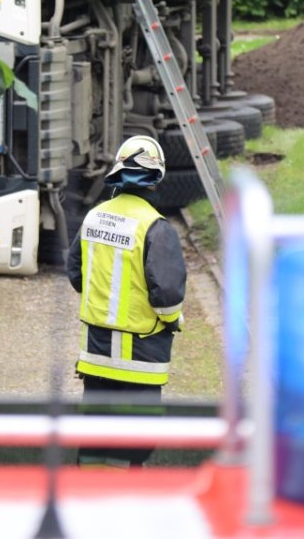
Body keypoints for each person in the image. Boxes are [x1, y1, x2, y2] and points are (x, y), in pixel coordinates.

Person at [66, 135, 187, 468]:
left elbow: (76, 273)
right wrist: (172, 319)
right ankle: (124, 504)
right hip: (141, 357)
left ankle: (89, 496)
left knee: (95, 435)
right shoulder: (156, 228)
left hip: (96, 355)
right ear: (155, 179)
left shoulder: (94, 217)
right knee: (134, 441)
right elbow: (167, 294)